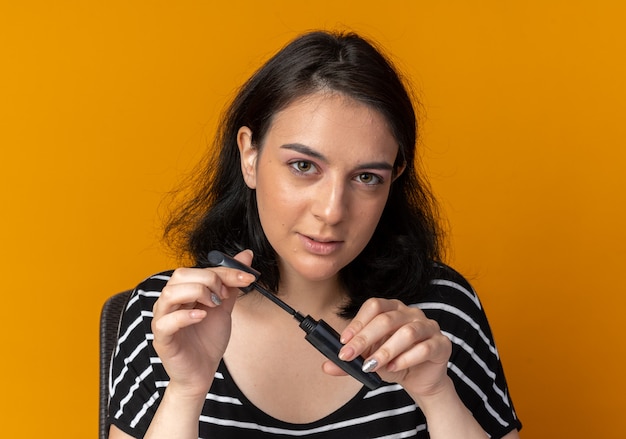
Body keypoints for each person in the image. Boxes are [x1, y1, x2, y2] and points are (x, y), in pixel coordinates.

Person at [107, 30, 522, 438]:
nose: (332, 211)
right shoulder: (168, 317)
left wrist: (437, 395)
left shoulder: (440, 313)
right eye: (304, 167)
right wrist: (185, 392)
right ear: (250, 156)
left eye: (366, 177)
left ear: (393, 178)